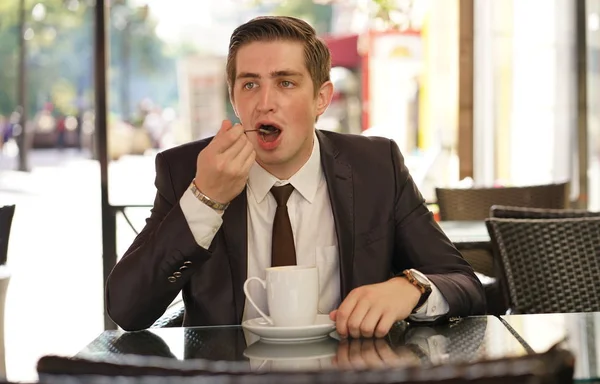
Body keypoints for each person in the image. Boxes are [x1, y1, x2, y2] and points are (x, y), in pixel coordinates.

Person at [106, 16, 485, 339]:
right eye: (250, 84)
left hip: (348, 383)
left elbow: (464, 283)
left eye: (285, 82)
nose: (264, 101)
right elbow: (127, 309)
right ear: (234, 98)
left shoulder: (376, 166)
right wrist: (206, 198)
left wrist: (410, 288)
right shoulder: (188, 169)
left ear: (321, 99)